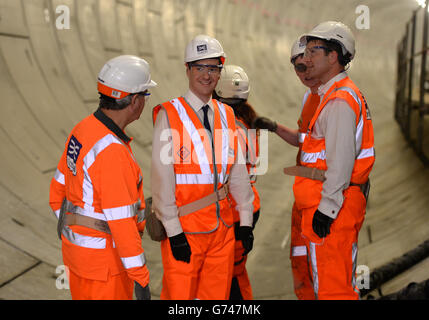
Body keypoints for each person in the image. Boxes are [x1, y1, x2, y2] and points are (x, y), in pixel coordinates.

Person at [151, 35, 255, 300]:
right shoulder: (169, 115)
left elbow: (238, 172)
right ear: (187, 69)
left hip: (221, 232)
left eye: (213, 68)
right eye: (200, 67)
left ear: (220, 72)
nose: (206, 75)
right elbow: (162, 180)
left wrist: (245, 221)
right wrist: (173, 232)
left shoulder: (226, 114)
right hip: (186, 231)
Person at [49, 55, 156, 300]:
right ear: (135, 100)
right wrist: (140, 278)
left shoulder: (83, 129)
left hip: (77, 259)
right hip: (106, 268)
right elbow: (121, 223)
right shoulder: (112, 153)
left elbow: (57, 193)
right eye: (146, 96)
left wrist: (78, 235)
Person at [293, 21, 375, 299]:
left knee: (333, 291)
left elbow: (340, 161)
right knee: (333, 286)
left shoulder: (339, 100)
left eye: (314, 51)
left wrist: (326, 209)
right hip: (337, 203)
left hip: (333, 208)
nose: (305, 58)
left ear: (334, 56)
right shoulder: (333, 95)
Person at [253, 39, 322, 300]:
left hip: (323, 198)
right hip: (306, 196)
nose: (304, 73)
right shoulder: (310, 97)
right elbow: (304, 139)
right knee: (302, 259)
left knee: (326, 271)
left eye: (308, 66)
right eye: (298, 67)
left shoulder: (334, 98)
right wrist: (274, 127)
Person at [214, 64, 260, 300]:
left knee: (231, 276)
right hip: (247, 206)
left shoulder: (231, 130)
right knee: (234, 274)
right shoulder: (245, 121)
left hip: (236, 211)